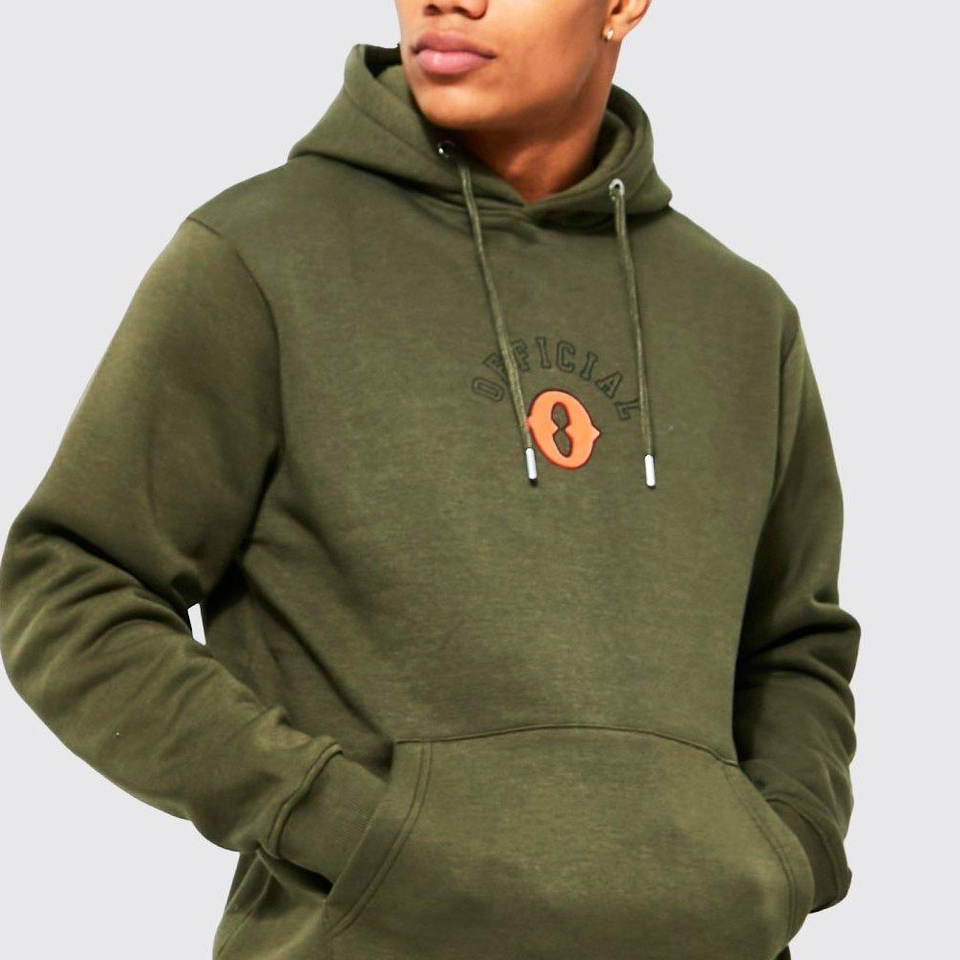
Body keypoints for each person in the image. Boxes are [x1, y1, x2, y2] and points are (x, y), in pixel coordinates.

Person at [0, 1, 861, 958]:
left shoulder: (740, 314)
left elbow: (794, 643)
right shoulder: (259, 258)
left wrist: (788, 852)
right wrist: (334, 819)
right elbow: (70, 587)